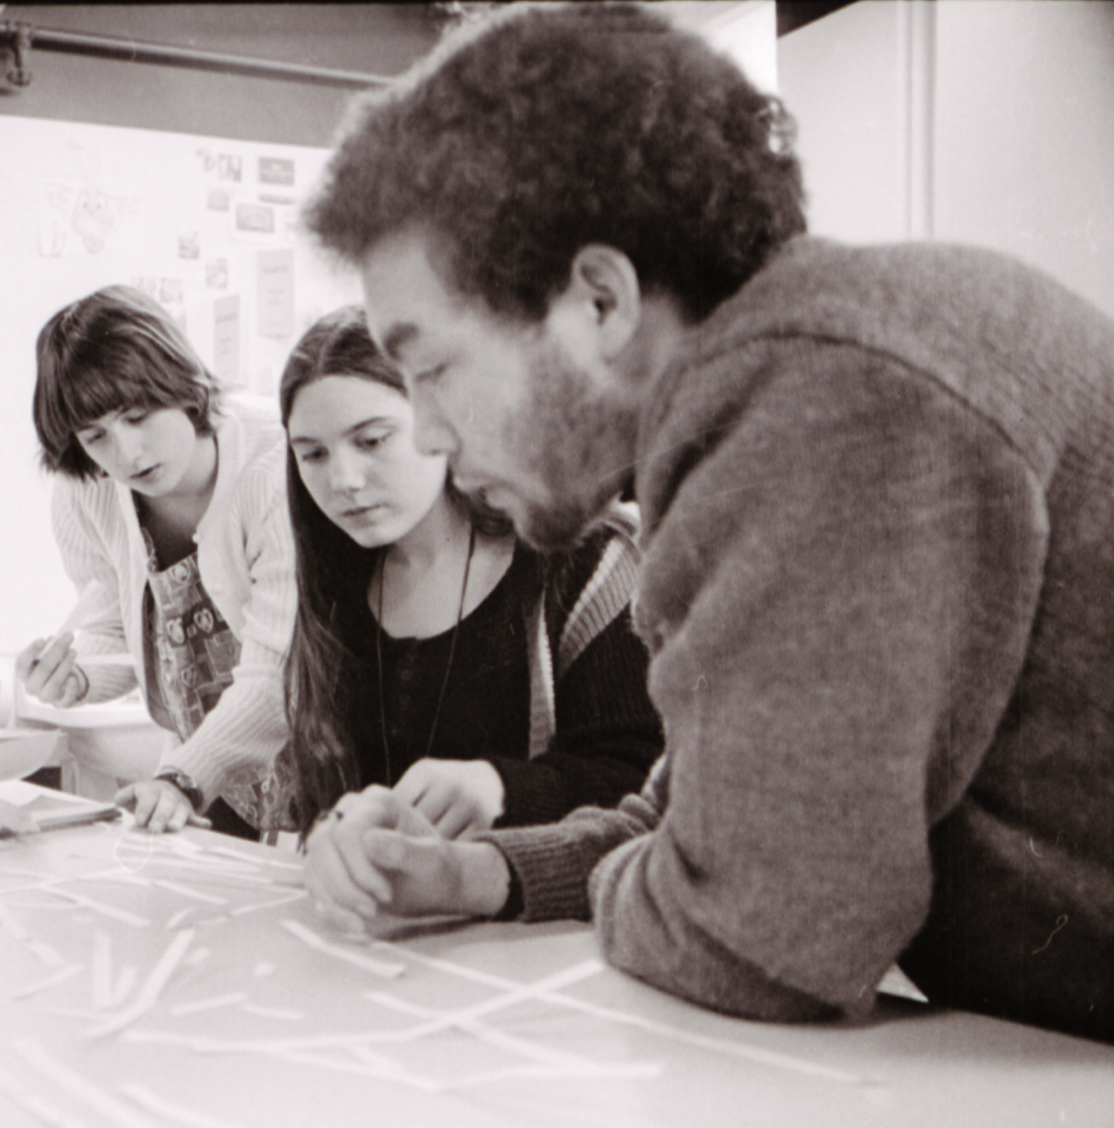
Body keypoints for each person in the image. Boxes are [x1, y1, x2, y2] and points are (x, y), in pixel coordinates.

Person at [300, 1, 1114, 1043]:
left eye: (432, 364)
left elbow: (757, 935)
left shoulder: (819, 398)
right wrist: (479, 871)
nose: (425, 429)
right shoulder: (794, 367)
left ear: (597, 299)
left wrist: (688, 879)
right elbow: (699, 822)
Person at [276, 305, 661, 850]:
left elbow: (644, 787)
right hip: (386, 925)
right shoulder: (337, 584)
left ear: (442, 421)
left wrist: (502, 788)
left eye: (372, 440)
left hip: (544, 927)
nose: (344, 480)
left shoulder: (581, 560)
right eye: (312, 454)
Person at [17, 285, 295, 835]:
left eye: (139, 416)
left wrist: (182, 776)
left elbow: (278, 672)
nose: (127, 454)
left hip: (308, 759)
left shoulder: (273, 465)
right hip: (205, 780)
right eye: (96, 436)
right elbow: (116, 624)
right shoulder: (89, 489)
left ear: (183, 386)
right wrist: (76, 676)